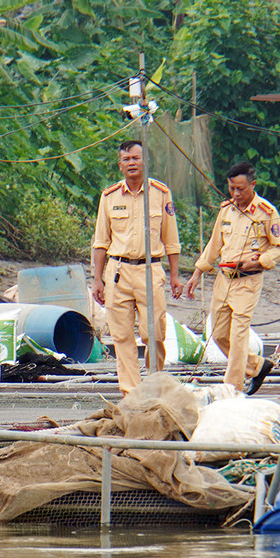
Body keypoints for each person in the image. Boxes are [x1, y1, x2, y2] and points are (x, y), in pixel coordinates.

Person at [184, 162, 280, 395]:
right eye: (232, 188)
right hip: (224, 279)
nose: (236, 194)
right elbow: (214, 245)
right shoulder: (226, 209)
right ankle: (258, 366)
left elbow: (278, 248)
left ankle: (232, 388)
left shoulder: (267, 213)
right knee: (219, 334)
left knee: (238, 335)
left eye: (241, 189)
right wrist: (197, 273)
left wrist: (259, 261)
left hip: (248, 281)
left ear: (253, 185)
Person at [92, 140, 183, 397]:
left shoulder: (161, 193)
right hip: (118, 271)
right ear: (120, 165)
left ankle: (154, 387)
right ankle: (131, 395)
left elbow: (171, 239)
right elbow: (100, 242)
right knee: (121, 338)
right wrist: (97, 280)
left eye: (136, 158)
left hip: (150, 270)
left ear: (145, 161)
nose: (132, 163)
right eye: (126, 159)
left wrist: (175, 276)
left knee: (153, 334)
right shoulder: (109, 197)